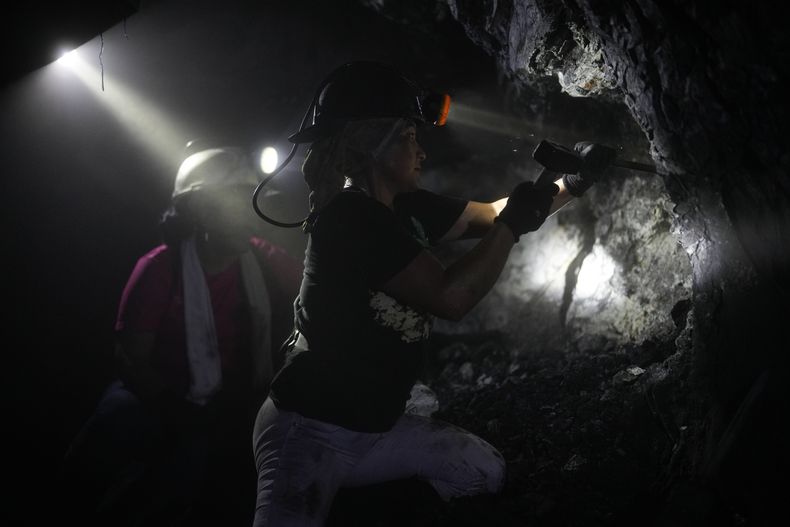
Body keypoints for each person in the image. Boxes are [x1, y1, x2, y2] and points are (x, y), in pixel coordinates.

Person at [252, 61, 614, 526]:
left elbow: (494, 214)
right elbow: (451, 298)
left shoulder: (404, 207)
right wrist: (512, 224)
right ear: (372, 144)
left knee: (481, 474)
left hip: (374, 424)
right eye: (408, 137)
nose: (421, 150)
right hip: (310, 429)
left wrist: (569, 184)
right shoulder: (349, 220)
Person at [59, 144, 303, 526]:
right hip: (158, 394)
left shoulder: (264, 260)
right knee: (114, 422)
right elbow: (131, 360)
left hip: (228, 399)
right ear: (199, 211)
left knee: (197, 476)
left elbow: (317, 287)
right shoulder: (159, 268)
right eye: (233, 205)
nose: (248, 217)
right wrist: (181, 414)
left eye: (249, 203)